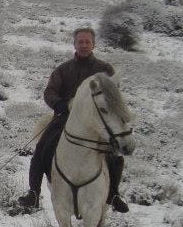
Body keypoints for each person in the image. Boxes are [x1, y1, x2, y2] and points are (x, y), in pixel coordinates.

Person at [15, 27, 129, 213]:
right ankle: (33, 193)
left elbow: (113, 96)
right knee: (41, 148)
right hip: (66, 118)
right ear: (74, 44)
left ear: (94, 44)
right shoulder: (63, 69)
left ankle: (114, 194)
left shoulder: (105, 70)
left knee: (114, 152)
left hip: (97, 121)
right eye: (80, 42)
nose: (83, 45)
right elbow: (49, 91)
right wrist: (59, 104)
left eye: (87, 41)